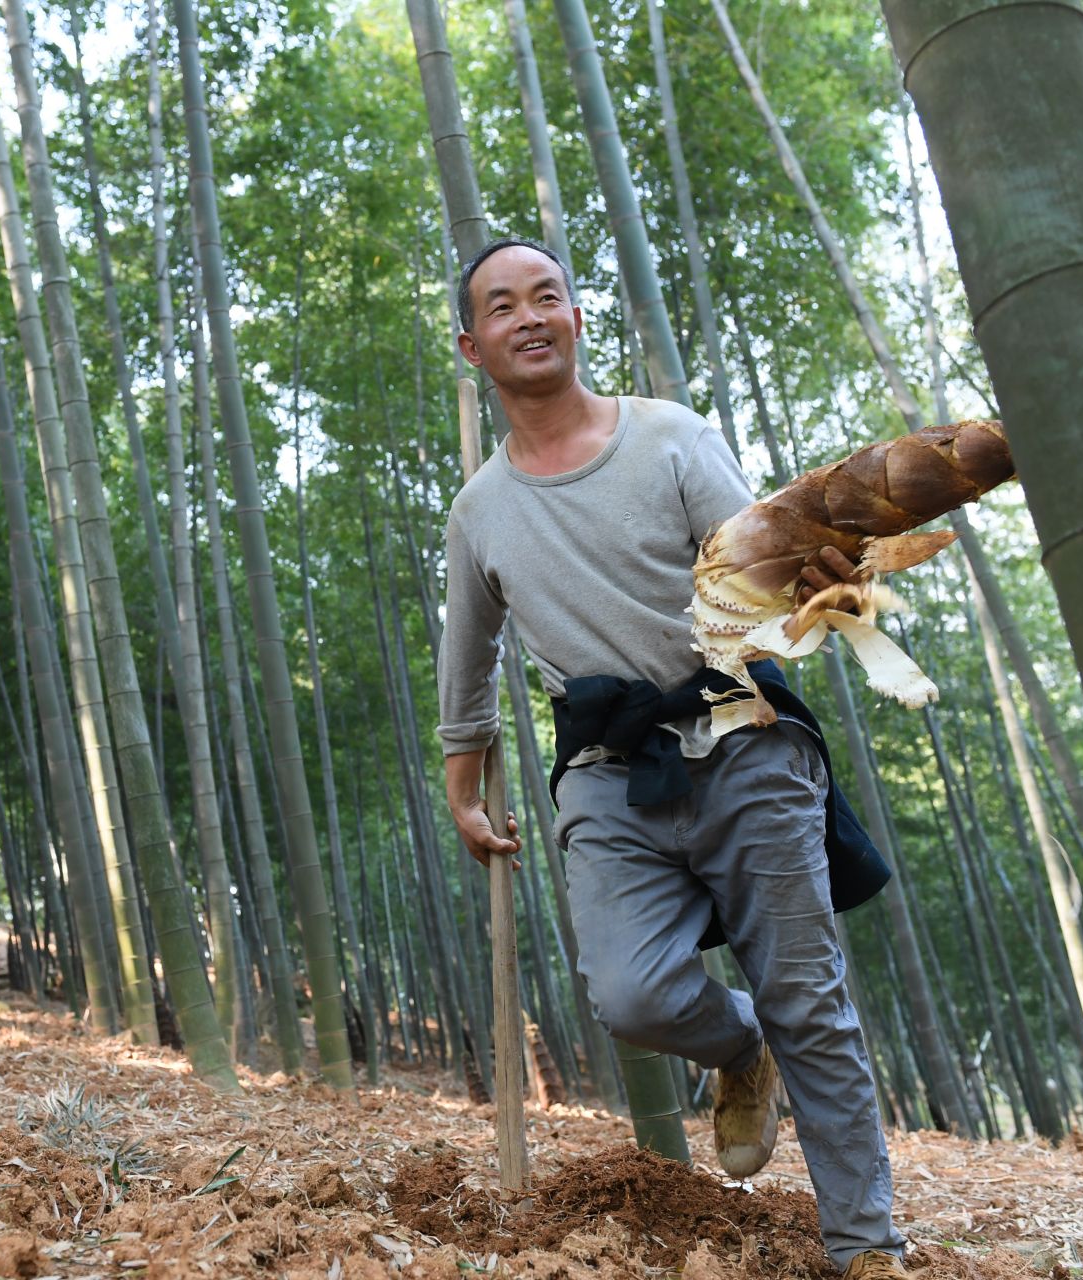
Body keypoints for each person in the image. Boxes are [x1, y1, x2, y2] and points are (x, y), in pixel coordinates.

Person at [436, 237, 906, 1277]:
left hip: (743, 735)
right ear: (474, 346)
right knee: (631, 995)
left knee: (809, 995)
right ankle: (740, 1046)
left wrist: (829, 575)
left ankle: (866, 1245)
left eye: (547, 295)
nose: (529, 316)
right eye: (503, 306)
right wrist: (464, 786)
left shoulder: (671, 437)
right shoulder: (481, 510)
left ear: (576, 316)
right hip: (610, 768)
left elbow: (762, 565)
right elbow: (467, 661)